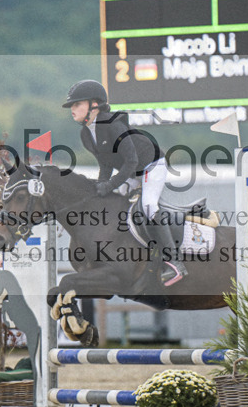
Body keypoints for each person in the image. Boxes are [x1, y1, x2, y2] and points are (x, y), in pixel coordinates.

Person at [62, 79, 187, 285]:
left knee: (148, 206)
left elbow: (132, 161)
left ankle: (174, 262)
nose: (72, 110)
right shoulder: (86, 134)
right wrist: (100, 188)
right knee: (113, 203)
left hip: (151, 165)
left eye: (77, 104)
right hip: (129, 172)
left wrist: (109, 185)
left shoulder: (114, 125)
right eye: (72, 106)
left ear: (94, 104)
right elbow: (106, 165)